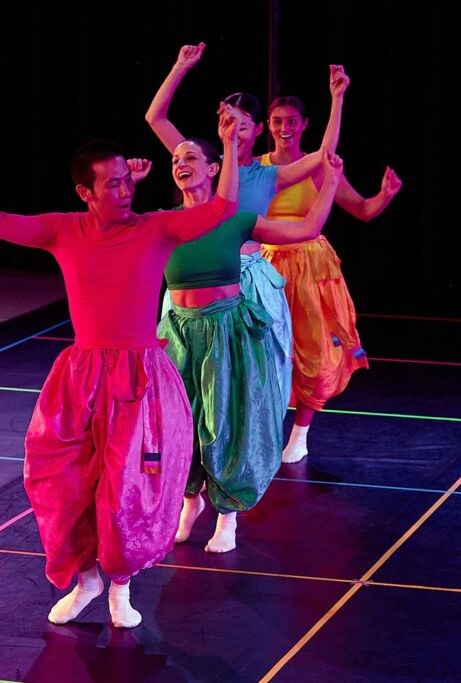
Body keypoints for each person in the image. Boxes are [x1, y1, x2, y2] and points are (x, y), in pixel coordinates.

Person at [0, 110, 238, 628]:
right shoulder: (66, 231)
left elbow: (223, 208)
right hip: (80, 378)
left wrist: (229, 145)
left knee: (126, 489)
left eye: (128, 181)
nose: (126, 192)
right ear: (86, 192)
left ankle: (121, 588)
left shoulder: (157, 228)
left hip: (139, 377)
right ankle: (86, 579)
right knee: (63, 481)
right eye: (113, 184)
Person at [157, 138, 344, 553]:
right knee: (181, 423)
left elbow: (306, 230)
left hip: (226, 332)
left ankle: (228, 514)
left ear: (212, 169)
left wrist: (330, 182)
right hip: (179, 335)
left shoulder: (235, 218)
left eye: (190, 157)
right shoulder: (163, 222)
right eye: (175, 159)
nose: (180, 164)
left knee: (225, 422)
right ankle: (190, 501)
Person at [145, 42, 347, 413]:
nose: (232, 132)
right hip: (194, 282)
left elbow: (325, 157)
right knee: (184, 377)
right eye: (226, 123)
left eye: (241, 126)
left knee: (246, 380)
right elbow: (156, 119)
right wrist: (180, 67)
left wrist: (337, 99)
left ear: (257, 132)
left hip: (247, 280)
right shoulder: (203, 162)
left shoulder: (266, 176)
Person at [260, 94, 402, 462]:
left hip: (311, 269)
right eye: (277, 121)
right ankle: (262, 430)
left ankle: (300, 433)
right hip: (266, 268)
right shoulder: (256, 168)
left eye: (292, 121)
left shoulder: (318, 168)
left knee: (314, 351)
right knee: (266, 353)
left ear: (305, 124)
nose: (284, 128)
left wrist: (384, 196)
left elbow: (362, 209)